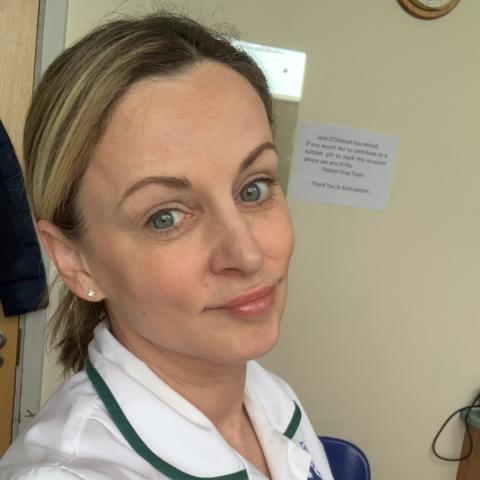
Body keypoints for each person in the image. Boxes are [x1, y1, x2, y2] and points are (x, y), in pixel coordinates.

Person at [0, 13, 334, 480]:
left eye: (254, 188)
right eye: (166, 217)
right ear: (75, 262)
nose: (247, 254)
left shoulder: (269, 398)